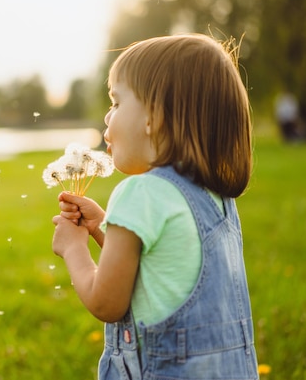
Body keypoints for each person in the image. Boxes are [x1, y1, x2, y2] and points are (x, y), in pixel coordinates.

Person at [51, 34, 259, 379]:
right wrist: (105, 227)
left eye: (116, 103)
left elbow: (107, 303)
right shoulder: (215, 197)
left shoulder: (139, 193)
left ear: (154, 117)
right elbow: (164, 270)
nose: (106, 117)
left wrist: (74, 249)